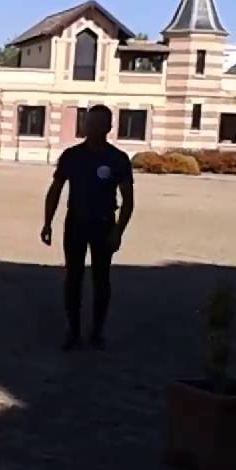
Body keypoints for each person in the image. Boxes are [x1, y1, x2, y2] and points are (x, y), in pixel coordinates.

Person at [40, 105, 134, 350]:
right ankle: (73, 331)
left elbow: (128, 200)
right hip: (76, 223)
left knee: (102, 279)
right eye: (89, 123)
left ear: (109, 127)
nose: (91, 128)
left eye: (98, 123)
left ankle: (97, 332)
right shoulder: (72, 156)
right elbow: (56, 190)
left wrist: (118, 231)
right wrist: (47, 222)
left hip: (103, 224)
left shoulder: (118, 159)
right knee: (73, 277)